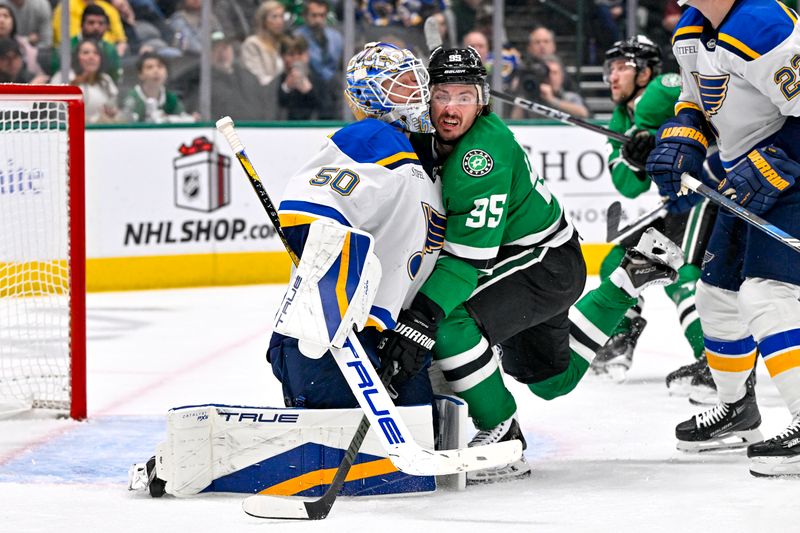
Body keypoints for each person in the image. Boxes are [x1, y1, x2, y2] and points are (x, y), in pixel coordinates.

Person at [382, 46, 685, 484]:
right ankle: (624, 282)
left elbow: (466, 263)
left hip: (544, 263)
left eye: (464, 97)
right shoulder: (424, 132)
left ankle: (504, 438)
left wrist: (422, 318)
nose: (451, 108)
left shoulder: (480, 156)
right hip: (528, 258)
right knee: (549, 380)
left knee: (449, 326)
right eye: (442, 94)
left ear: (482, 101)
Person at [645, 0, 800, 476]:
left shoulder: (765, 25)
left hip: (794, 175)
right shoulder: (690, 30)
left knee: (767, 295)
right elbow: (696, 101)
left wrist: (779, 156)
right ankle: (738, 410)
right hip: (746, 172)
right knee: (717, 294)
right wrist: (682, 136)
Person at [267, 41, 440, 412]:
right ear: (370, 94)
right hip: (332, 337)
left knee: (423, 446)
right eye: (401, 83)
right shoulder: (372, 137)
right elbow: (305, 217)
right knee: (344, 455)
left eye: (416, 80)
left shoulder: (421, 158)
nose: (418, 92)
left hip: (387, 335)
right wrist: (341, 307)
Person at [591, 35, 718, 398]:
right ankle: (619, 340)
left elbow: (709, 112)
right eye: (609, 69)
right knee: (620, 260)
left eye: (621, 67)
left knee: (683, 272)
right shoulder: (619, 117)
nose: (612, 77)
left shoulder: (664, 88)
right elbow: (628, 186)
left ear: (645, 72)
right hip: (676, 201)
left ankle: (714, 361)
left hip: (708, 190)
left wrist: (663, 137)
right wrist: (636, 156)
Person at [50, 39, 120, 123]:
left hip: (101, 132)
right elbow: (56, 112)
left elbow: (114, 109)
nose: (91, 57)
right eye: (86, 53)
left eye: (96, 53)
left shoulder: (105, 80)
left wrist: (111, 114)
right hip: (70, 132)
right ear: (76, 57)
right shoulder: (63, 77)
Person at [293, 0, 342, 118]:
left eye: (322, 15)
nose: (318, 20)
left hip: (332, 89)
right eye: (314, 15)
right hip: (307, 89)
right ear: (305, 16)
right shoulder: (296, 37)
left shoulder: (336, 37)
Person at [49, 4, 122, 82]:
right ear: (81, 25)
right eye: (91, 23)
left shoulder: (110, 49)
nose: (96, 27)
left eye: (101, 23)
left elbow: (115, 78)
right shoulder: (66, 47)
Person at [121, 51, 192, 123]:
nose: (156, 71)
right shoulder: (132, 98)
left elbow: (182, 117)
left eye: (160, 66)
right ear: (140, 74)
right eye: (149, 67)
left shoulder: (170, 98)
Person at [241, 0, 286, 86]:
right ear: (264, 20)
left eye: (281, 16)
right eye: (274, 17)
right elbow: (257, 78)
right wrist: (285, 85)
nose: (279, 21)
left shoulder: (281, 44)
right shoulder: (252, 44)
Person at [0, 4, 46, 83]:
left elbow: (38, 76)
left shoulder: (24, 46)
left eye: (6, 16)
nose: (1, 20)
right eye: (5, 58)